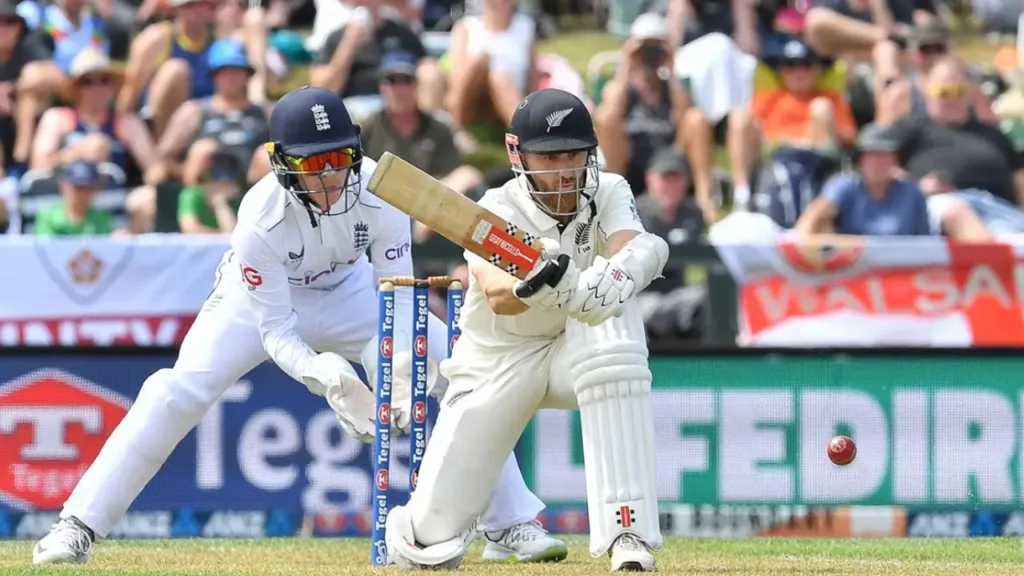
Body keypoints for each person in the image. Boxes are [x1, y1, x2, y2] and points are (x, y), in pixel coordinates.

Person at [32, 86, 566, 565]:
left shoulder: (382, 189)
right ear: (281, 163)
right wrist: (324, 376)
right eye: (313, 163)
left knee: (452, 369)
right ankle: (77, 525)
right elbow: (277, 333)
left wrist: (403, 366)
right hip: (255, 302)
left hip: (352, 292)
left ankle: (510, 524)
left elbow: (399, 295)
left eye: (339, 158)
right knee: (174, 391)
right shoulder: (258, 218)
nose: (330, 175)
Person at [383, 88, 668, 571]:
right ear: (518, 154)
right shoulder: (496, 208)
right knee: (428, 543)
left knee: (617, 327)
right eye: (549, 157)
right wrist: (542, 283)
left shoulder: (609, 190)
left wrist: (616, 277)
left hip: (574, 350)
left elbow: (630, 245)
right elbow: (497, 293)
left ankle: (628, 534)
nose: (564, 170)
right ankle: (483, 528)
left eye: (574, 155)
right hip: (495, 365)